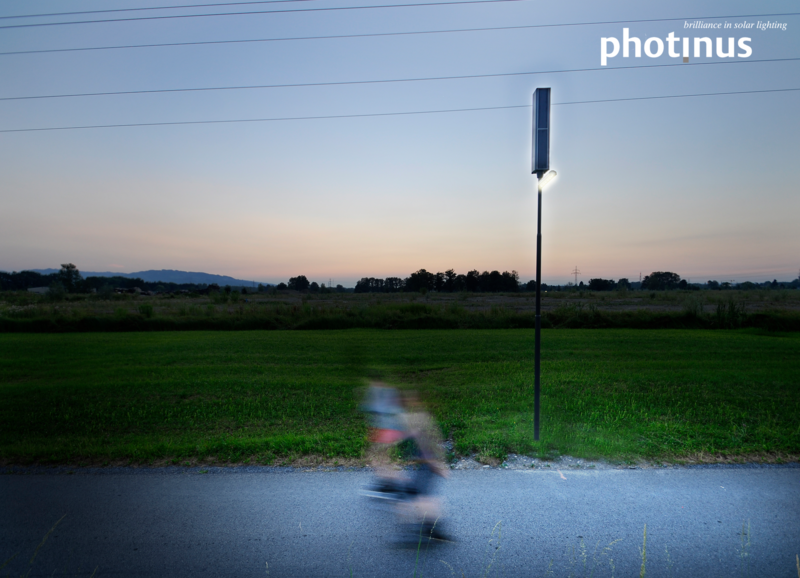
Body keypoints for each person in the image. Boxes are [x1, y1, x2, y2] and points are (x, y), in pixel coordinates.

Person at [393, 390, 453, 544]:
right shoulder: (417, 418)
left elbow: (427, 442)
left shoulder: (414, 418)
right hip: (425, 463)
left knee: (420, 496)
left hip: (426, 463)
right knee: (419, 495)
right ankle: (429, 529)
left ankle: (429, 529)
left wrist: (435, 463)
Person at [359, 382, 408, 499]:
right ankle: (389, 482)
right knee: (381, 458)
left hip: (386, 431)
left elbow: (378, 409)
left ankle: (392, 483)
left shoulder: (381, 392)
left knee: (377, 458)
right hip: (387, 431)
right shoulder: (389, 391)